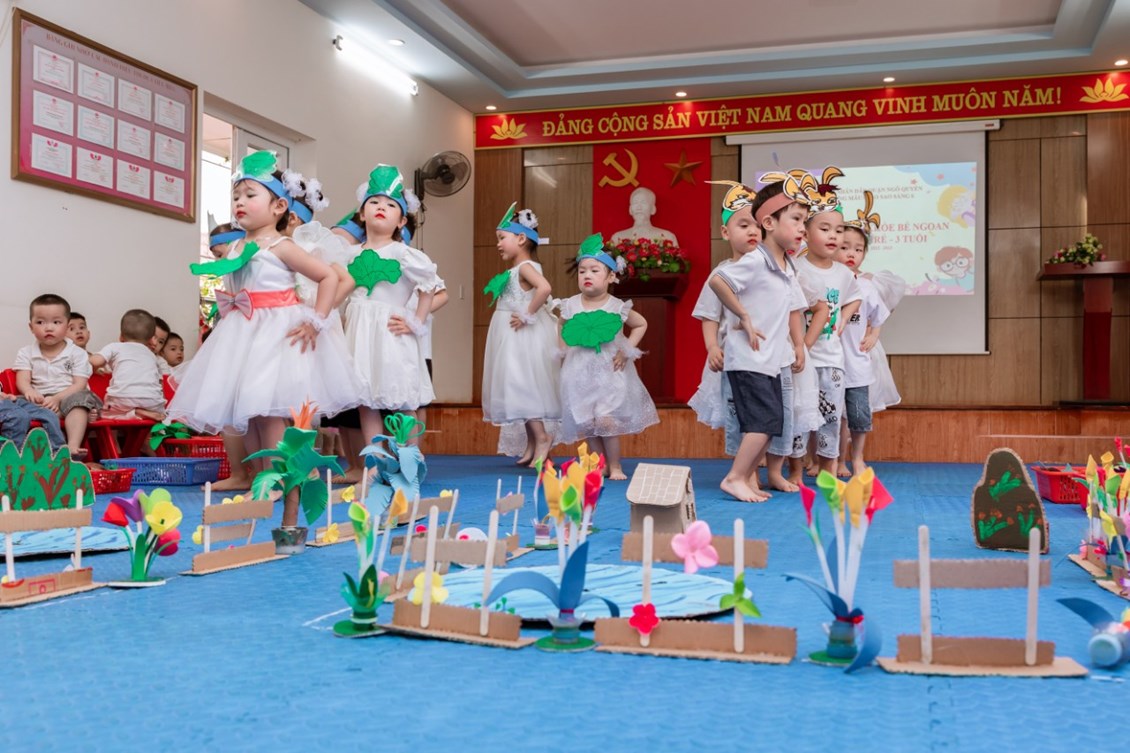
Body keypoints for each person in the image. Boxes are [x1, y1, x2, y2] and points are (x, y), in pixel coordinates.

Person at [166, 150, 361, 526]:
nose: (240, 201)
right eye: (236, 196)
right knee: (249, 413)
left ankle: (279, 477)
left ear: (279, 206)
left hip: (276, 332)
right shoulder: (236, 247)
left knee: (269, 410)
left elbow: (328, 277)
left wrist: (316, 321)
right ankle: (260, 475)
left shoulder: (281, 246)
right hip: (242, 332)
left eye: (250, 194)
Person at [707, 179, 810, 502]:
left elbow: (793, 310)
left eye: (805, 221)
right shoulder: (755, 259)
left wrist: (798, 345)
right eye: (796, 219)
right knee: (762, 422)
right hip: (748, 358)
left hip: (770, 361)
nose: (803, 228)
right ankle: (735, 477)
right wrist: (743, 316)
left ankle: (747, 479)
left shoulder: (786, 265)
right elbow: (718, 281)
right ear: (769, 222)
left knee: (771, 422)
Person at [340, 164, 442, 446]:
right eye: (373, 202)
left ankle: (410, 455)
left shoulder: (402, 253)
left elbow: (429, 285)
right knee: (366, 399)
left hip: (390, 330)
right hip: (360, 331)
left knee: (401, 396)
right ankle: (374, 459)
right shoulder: (349, 254)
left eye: (390, 204)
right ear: (362, 213)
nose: (381, 207)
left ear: (401, 221)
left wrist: (416, 321)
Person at [558, 233, 657, 480]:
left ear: (611, 276)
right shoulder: (570, 305)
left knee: (606, 420)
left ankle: (615, 465)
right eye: (582, 271)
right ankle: (598, 464)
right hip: (579, 371)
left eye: (595, 271)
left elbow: (641, 324)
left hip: (609, 372)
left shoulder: (616, 306)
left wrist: (627, 351)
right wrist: (562, 350)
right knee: (588, 421)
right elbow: (561, 324)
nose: (587, 275)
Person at [791, 168, 862, 477]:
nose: (834, 236)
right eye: (825, 228)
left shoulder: (843, 274)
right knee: (798, 414)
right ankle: (795, 468)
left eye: (839, 230)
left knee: (831, 415)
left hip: (832, 358)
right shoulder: (795, 268)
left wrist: (843, 318)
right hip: (799, 357)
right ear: (805, 233)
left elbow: (856, 297)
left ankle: (828, 467)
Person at [481, 203, 561, 466]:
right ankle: (532, 442)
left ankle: (542, 438)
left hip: (520, 337)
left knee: (522, 386)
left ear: (521, 238)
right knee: (516, 387)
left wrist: (527, 314)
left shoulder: (526, 266)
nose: (498, 244)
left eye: (502, 238)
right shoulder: (517, 269)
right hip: (510, 334)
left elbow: (545, 288)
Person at [835, 191, 904, 476]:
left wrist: (874, 335)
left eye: (858, 249)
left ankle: (857, 458)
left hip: (858, 359)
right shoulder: (826, 280)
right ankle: (835, 460)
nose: (851, 254)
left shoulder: (867, 285)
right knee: (834, 416)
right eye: (845, 247)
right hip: (831, 358)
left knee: (858, 414)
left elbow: (878, 315)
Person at [14, 293, 102, 459]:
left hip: (69, 396)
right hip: (41, 400)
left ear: (67, 326)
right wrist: (29, 391)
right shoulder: (26, 352)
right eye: (40, 322)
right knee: (12, 402)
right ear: (31, 327)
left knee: (80, 400)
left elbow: (79, 384)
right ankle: (22, 451)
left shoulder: (77, 353)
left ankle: (72, 446)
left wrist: (56, 398)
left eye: (56, 322)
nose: (48, 328)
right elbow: (22, 379)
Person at [88, 309, 166, 421]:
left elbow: (95, 361)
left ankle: (135, 413)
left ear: (121, 336)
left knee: (104, 414)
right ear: (150, 340)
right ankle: (145, 416)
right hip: (152, 401)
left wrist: (90, 364)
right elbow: (160, 383)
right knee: (158, 415)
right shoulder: (152, 356)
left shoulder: (115, 347)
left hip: (123, 399)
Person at [0, 388, 67, 450]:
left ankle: (59, 452)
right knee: (19, 416)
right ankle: (9, 452)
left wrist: (5, 395)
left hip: (11, 401)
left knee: (48, 414)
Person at [609, 186, 678, 245]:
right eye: (635, 203)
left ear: (653, 209)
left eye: (643, 202)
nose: (639, 207)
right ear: (630, 209)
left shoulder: (667, 237)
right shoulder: (618, 238)